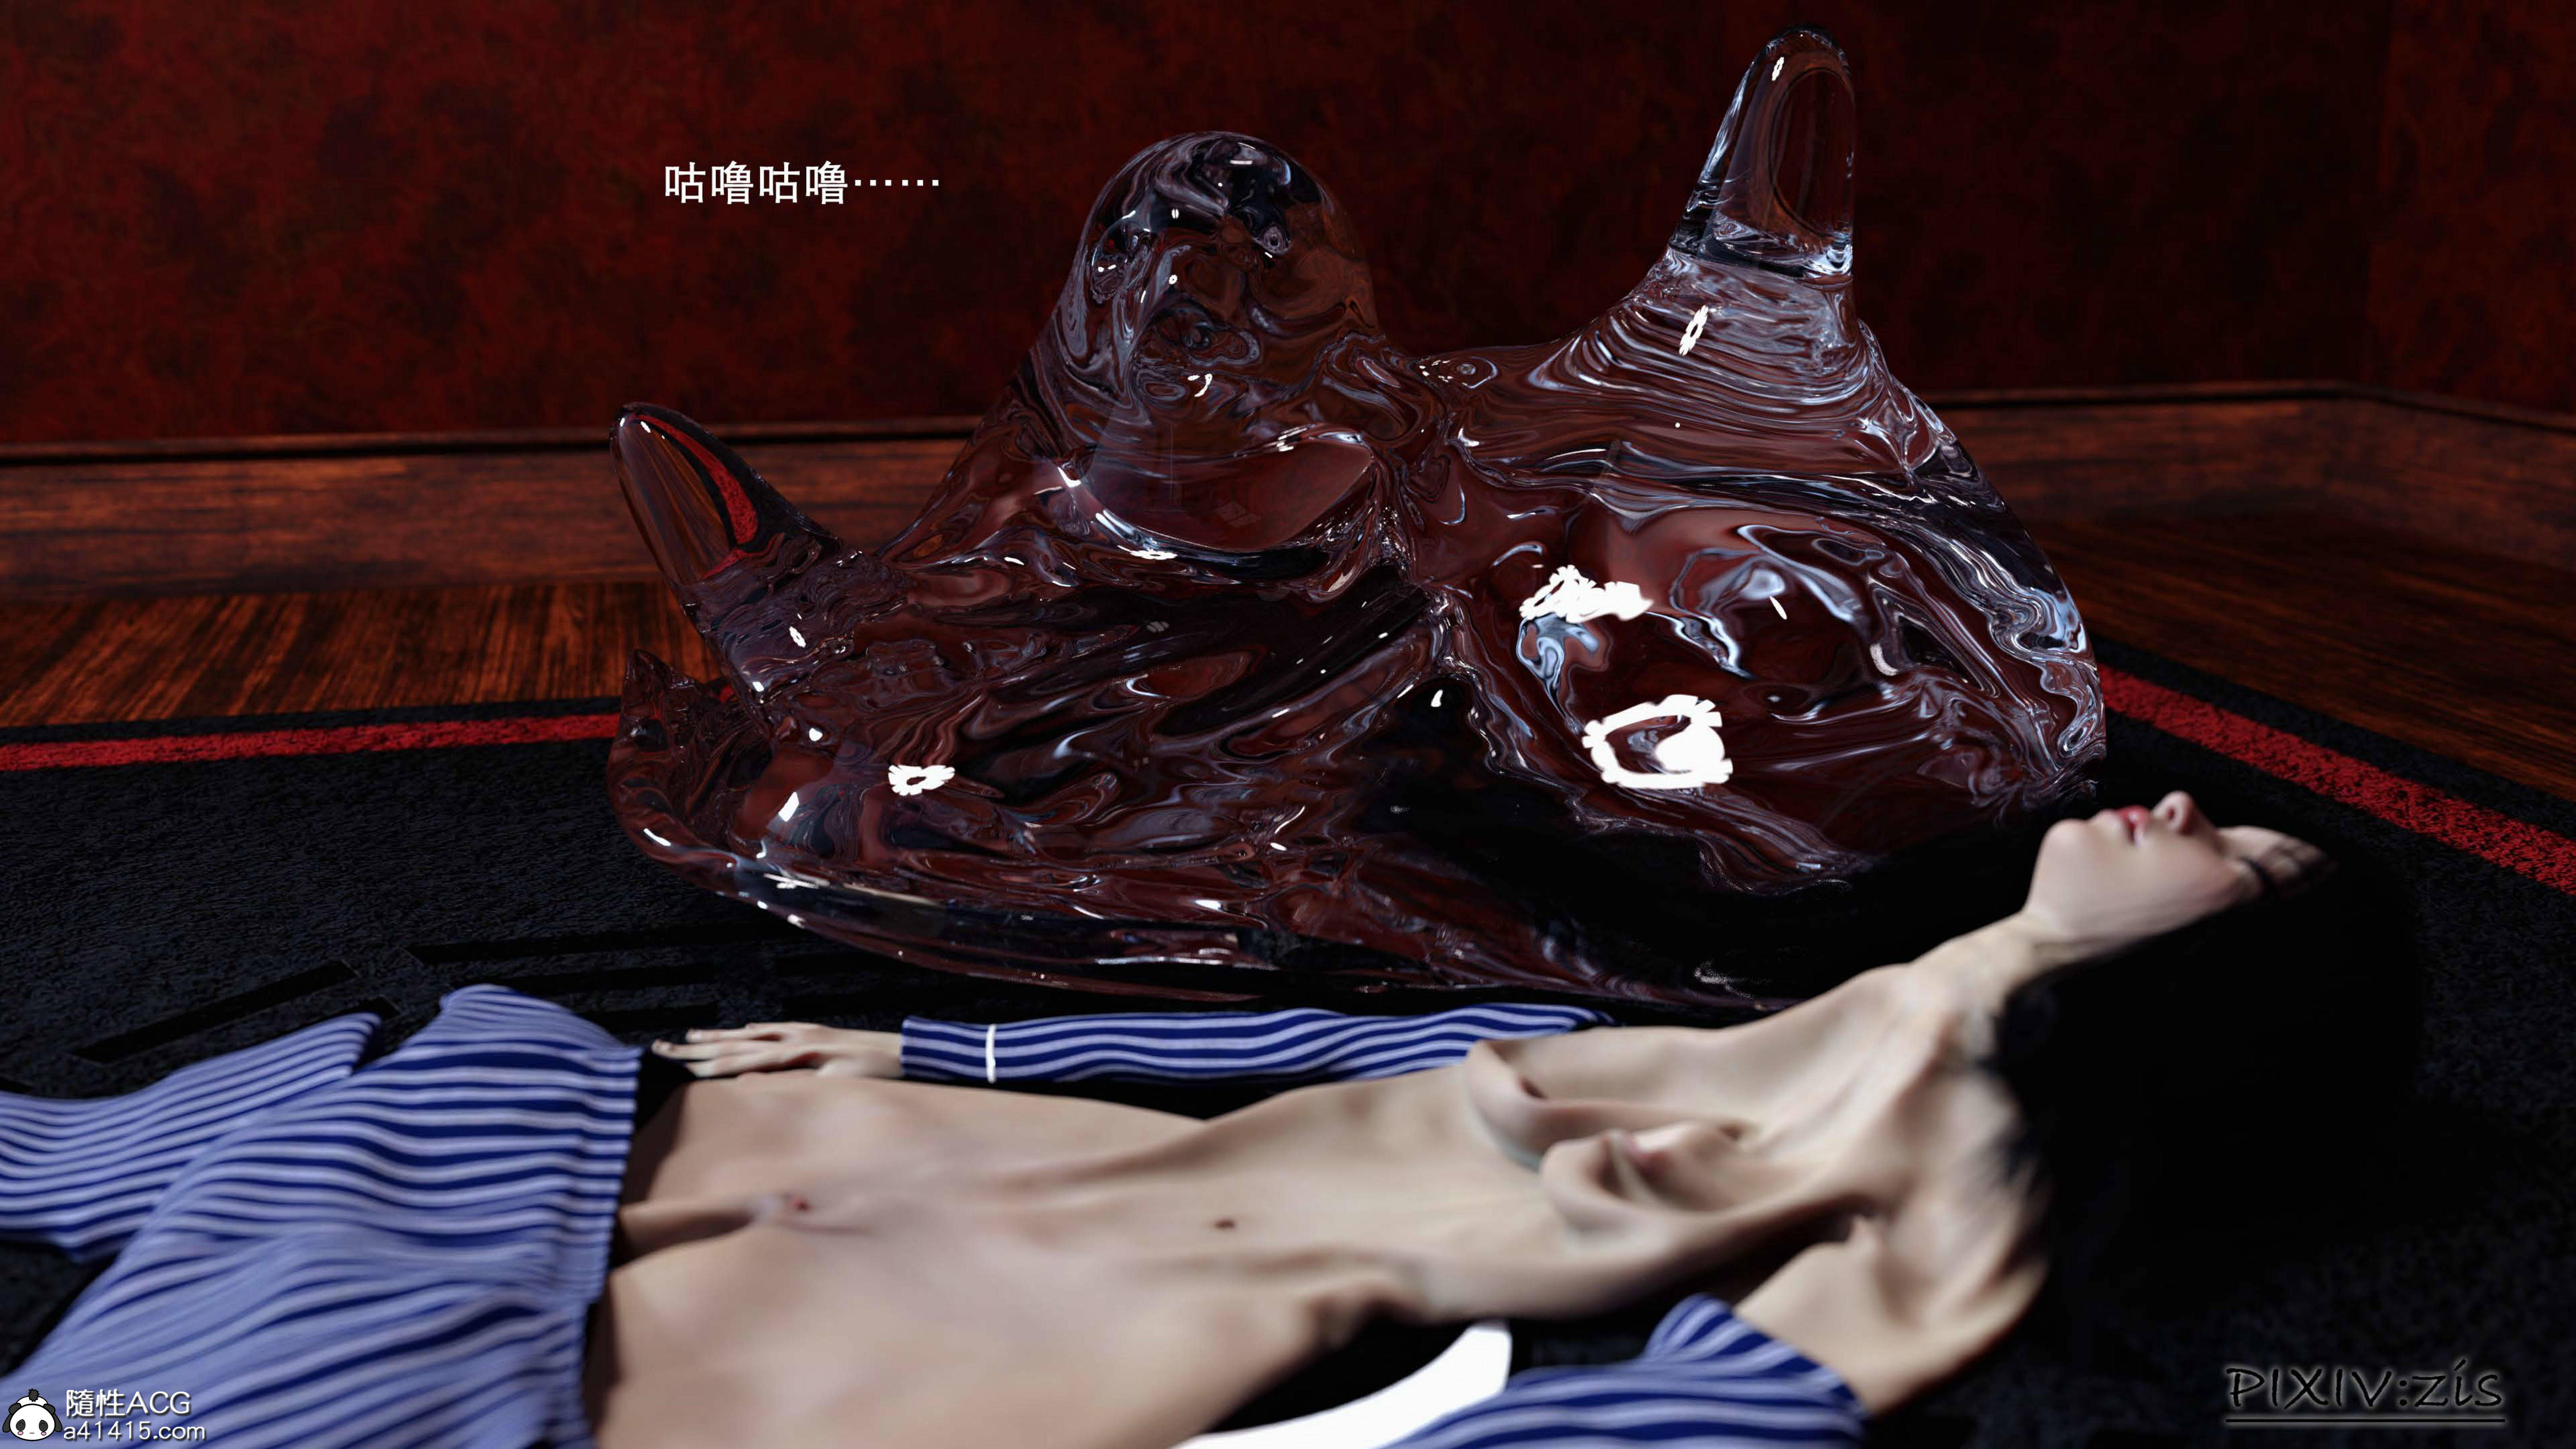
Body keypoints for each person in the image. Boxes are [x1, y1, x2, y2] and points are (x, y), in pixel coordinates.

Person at [4, 792, 2397, 1449]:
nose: (2184, 812)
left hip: (803, 1352)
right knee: (277, 1132)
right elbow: (1296, 1060)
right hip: (646, 1155)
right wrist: (926, 1058)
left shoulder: (1945, 1174)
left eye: (2247, 859)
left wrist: (1742, 1390)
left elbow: (1730, 1403)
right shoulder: (1787, 1019)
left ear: (2240, 985)